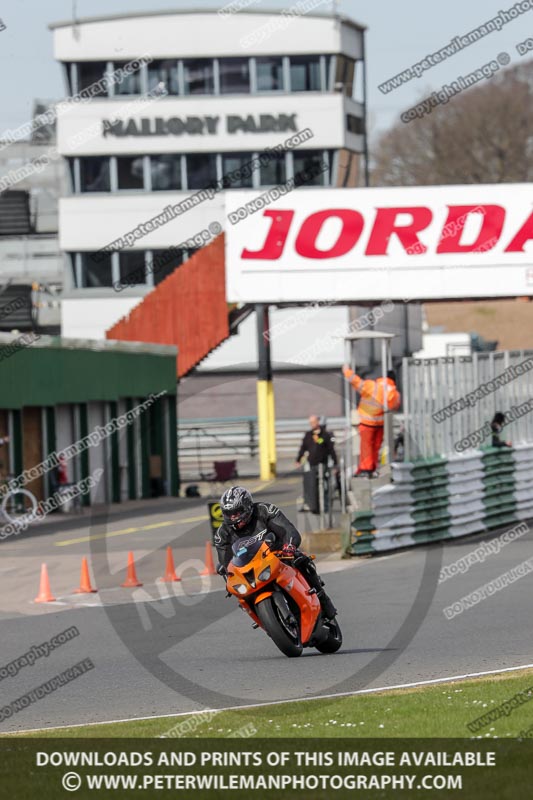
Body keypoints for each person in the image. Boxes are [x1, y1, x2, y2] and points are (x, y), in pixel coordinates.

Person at [215, 486, 337, 620]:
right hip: (252, 569)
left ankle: (323, 600)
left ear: (247, 507)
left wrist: (289, 546)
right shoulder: (222, 534)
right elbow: (227, 564)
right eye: (229, 514)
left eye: (237, 513)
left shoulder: (264, 510)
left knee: (302, 560)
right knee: (242, 597)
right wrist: (228, 577)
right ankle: (265, 621)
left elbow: (288, 530)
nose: (233, 518)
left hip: (279, 556)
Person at [342, 365, 401, 477]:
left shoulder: (372, 386)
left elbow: (355, 381)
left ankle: (366, 469)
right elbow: (395, 406)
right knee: (376, 446)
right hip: (381, 424)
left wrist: (346, 371)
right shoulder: (394, 392)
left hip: (367, 422)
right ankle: (373, 467)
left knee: (366, 446)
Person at [295, 415, 338, 511]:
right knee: (310, 484)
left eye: (313, 422)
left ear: (318, 422)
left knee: (325, 484)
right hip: (311, 464)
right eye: (310, 423)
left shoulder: (325, 435)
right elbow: (303, 448)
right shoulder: (308, 435)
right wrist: (298, 460)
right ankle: (310, 504)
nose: (312, 424)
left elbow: (331, 450)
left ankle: (325, 505)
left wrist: (335, 464)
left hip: (323, 464)